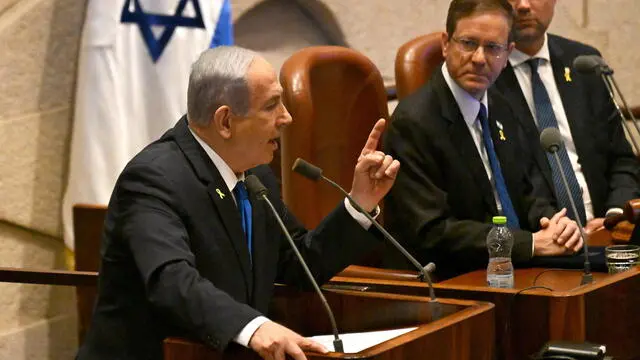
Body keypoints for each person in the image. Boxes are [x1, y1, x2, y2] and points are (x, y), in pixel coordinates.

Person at [76, 46, 400, 360]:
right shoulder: (152, 180)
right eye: (272, 105)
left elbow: (301, 261)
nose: (287, 118)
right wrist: (253, 327)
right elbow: (171, 280)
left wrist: (360, 203)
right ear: (226, 122)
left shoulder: (255, 173)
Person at [383, 0, 582, 279]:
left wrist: (553, 224)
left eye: (492, 48)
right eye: (468, 43)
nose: (479, 58)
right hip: (454, 279)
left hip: (515, 268)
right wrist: (531, 244)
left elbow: (530, 188)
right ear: (445, 44)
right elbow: (432, 230)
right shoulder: (413, 122)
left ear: (508, 52)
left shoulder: (501, 103)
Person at [494, 0, 640, 234]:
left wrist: (614, 217)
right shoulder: (485, 76)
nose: (523, 6)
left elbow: (621, 159)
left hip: (609, 229)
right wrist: (559, 227)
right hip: (542, 237)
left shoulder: (584, 62)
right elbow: (508, 180)